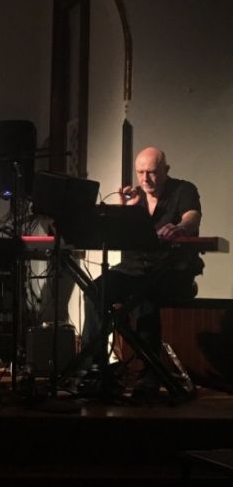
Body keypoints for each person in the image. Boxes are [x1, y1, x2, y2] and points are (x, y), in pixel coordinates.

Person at [80, 146, 204, 399]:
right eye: (140, 172)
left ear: (166, 170)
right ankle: (95, 370)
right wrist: (128, 209)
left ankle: (150, 375)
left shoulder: (183, 190)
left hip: (171, 269)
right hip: (134, 269)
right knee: (94, 291)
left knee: (144, 295)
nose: (145, 179)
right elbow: (122, 236)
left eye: (152, 172)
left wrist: (180, 227)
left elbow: (192, 217)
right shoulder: (136, 198)